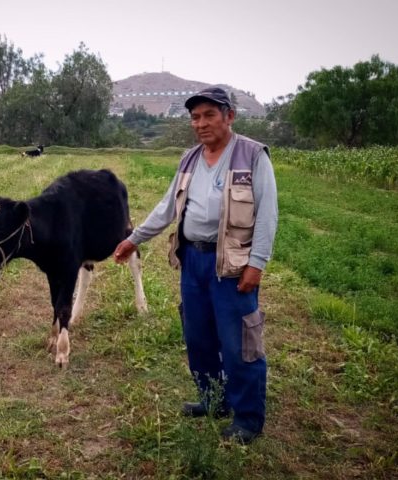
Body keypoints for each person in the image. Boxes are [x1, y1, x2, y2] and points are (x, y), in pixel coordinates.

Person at [113, 87, 278, 444]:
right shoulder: (189, 159)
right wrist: (133, 239)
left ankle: (248, 418)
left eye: (209, 115)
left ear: (229, 116)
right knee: (198, 337)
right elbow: (167, 208)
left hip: (233, 265)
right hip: (193, 261)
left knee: (239, 344)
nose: (200, 123)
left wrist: (257, 264)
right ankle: (214, 399)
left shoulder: (252, 155)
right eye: (195, 117)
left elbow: (268, 215)